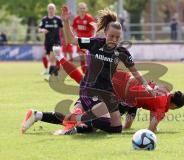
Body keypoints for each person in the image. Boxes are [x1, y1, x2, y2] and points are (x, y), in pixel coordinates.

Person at [22, 48, 184, 134]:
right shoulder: (162, 107)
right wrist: (151, 130)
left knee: (85, 85)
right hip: (119, 93)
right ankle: (76, 122)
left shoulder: (161, 90)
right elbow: (151, 127)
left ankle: (40, 115)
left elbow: (135, 106)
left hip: (122, 85)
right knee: (107, 124)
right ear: (174, 107)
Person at [61, 6, 157, 134]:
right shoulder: (95, 43)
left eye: (117, 37)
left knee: (116, 128)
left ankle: (78, 122)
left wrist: (147, 86)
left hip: (107, 92)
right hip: (90, 90)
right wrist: (66, 22)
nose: (114, 40)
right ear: (105, 33)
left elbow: (135, 72)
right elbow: (71, 40)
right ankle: (76, 119)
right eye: (111, 36)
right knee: (102, 122)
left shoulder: (122, 52)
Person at [38, 3, 63, 77]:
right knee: (51, 60)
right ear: (47, 9)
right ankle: (56, 74)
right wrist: (42, 30)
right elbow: (39, 29)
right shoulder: (44, 19)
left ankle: (50, 75)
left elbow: (63, 29)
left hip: (56, 41)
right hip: (47, 42)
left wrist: (65, 39)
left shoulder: (58, 19)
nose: (51, 10)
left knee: (52, 59)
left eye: (52, 8)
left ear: (55, 10)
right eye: (50, 8)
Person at [72, 2, 96, 73]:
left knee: (88, 56)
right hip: (79, 40)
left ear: (86, 9)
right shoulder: (76, 19)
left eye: (83, 8)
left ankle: (90, 71)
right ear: (78, 10)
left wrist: (92, 36)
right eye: (81, 8)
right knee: (81, 56)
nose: (82, 10)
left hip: (87, 40)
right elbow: (73, 28)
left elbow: (94, 28)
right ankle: (84, 72)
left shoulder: (89, 18)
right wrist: (75, 35)